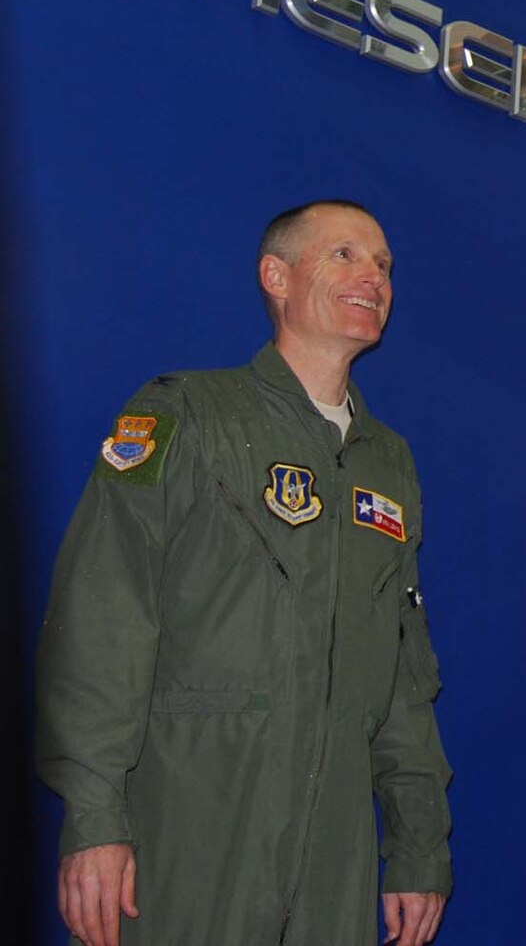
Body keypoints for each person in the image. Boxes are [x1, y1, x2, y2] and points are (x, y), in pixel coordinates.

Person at [35, 200, 451, 946]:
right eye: (346, 255)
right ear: (276, 276)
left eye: (385, 265)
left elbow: (403, 674)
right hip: (189, 827)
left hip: (333, 855)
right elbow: (102, 616)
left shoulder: (387, 463)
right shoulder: (187, 415)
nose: (375, 277)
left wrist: (419, 845)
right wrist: (95, 817)